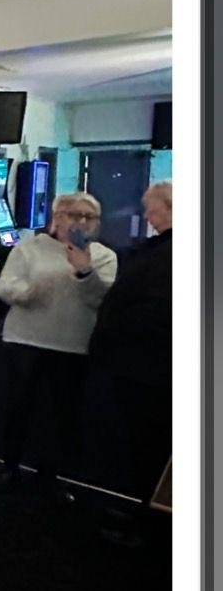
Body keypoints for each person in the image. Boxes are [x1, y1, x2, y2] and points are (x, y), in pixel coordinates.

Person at [0, 191, 117, 500]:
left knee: (62, 412)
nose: (81, 221)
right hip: (25, 339)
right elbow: (4, 285)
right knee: (19, 406)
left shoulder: (103, 256)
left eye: (89, 217)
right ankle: (9, 468)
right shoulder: (30, 247)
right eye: (74, 214)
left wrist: (84, 269)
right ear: (57, 218)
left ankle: (51, 475)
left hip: (73, 344)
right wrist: (28, 291)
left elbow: (102, 299)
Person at [88, 182, 172, 528]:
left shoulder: (170, 253)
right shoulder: (163, 248)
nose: (147, 216)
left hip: (148, 366)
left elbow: (158, 311)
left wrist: (115, 327)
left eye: (152, 208)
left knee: (150, 444)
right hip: (142, 362)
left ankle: (153, 522)